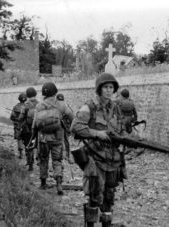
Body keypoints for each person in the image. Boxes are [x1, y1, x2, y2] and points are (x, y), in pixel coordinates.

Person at [70, 73, 126, 227]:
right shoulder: (89, 107)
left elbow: (122, 129)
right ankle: (90, 224)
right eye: (106, 87)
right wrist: (97, 134)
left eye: (111, 87)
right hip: (95, 158)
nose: (109, 90)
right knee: (94, 195)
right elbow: (75, 127)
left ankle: (107, 223)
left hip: (113, 159)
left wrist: (128, 139)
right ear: (99, 89)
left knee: (109, 195)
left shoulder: (116, 108)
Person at [33, 82, 74, 195]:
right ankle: (59, 184)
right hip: (57, 138)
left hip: (43, 139)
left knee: (43, 159)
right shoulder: (62, 105)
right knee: (57, 160)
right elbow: (72, 117)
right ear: (55, 92)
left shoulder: (39, 105)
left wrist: (33, 139)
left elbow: (35, 125)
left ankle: (43, 183)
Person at [18, 87, 39, 171]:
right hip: (39, 128)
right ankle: (40, 160)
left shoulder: (26, 105)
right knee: (39, 145)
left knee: (28, 145)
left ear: (27, 95)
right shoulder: (40, 104)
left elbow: (20, 118)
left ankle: (30, 164)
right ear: (35, 94)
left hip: (28, 129)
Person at [10, 93, 27, 159]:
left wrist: (16, 119)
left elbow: (12, 117)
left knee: (19, 139)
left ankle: (21, 154)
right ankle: (28, 153)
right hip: (26, 126)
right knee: (26, 138)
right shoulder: (28, 106)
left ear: (19, 99)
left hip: (18, 126)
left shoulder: (16, 107)